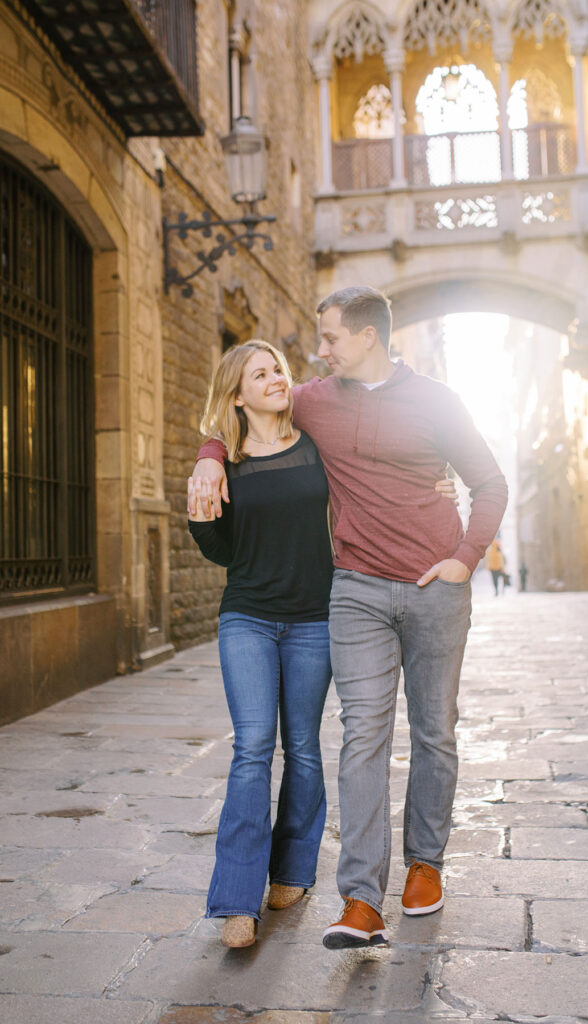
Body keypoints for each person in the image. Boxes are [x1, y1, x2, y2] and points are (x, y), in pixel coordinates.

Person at [192, 287, 508, 949]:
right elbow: (234, 418)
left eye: (330, 337)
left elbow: (489, 482)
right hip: (355, 590)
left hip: (432, 589)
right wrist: (208, 460)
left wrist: (464, 557)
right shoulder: (313, 398)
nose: (317, 352)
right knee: (359, 732)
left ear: (367, 336)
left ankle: (425, 864)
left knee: (433, 730)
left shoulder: (435, 402)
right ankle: (360, 900)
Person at [187, 340, 333, 948]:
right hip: (247, 617)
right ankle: (237, 903)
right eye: (260, 373)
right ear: (237, 394)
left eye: (278, 369)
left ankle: (294, 870)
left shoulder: (316, 444)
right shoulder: (224, 463)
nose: (276, 378)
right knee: (252, 747)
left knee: (302, 747)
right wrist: (203, 494)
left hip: (314, 620)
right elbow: (220, 550)